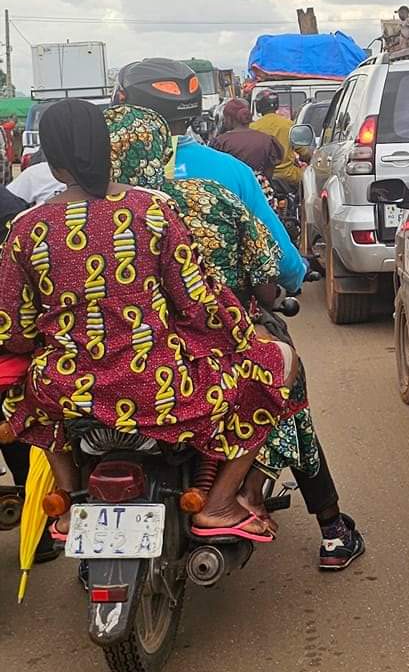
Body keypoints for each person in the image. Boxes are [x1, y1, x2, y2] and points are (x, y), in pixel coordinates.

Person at [0, 100, 297, 539]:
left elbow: (15, 331)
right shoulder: (151, 210)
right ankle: (219, 502)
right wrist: (239, 333)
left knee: (24, 396)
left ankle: (67, 499)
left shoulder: (27, 229)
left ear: (50, 156)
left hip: (66, 389)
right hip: (160, 386)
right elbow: (198, 303)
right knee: (280, 363)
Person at [104, 104, 364, 569]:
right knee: (286, 386)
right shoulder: (212, 192)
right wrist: (273, 288)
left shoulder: (69, 218)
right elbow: (273, 272)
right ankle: (328, 527)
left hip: (107, 364)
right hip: (215, 343)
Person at [111, 61, 305, 294]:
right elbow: (280, 259)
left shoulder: (101, 175)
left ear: (123, 105)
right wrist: (296, 275)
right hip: (223, 314)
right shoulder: (234, 171)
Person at [248, 95, 303, 221]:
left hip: (263, 179)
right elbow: (302, 150)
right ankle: (301, 217)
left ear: (259, 107)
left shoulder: (252, 127)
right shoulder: (288, 124)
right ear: (277, 106)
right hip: (288, 176)